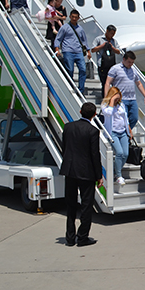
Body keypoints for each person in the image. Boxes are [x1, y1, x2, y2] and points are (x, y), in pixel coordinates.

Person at [60, 102, 103, 247]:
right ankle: (82, 236)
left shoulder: (68, 127)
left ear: (80, 111)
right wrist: (99, 175)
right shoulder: (93, 131)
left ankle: (70, 237)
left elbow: (64, 148)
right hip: (86, 172)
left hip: (70, 170)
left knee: (70, 205)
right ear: (94, 115)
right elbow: (94, 154)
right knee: (86, 204)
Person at [105, 50, 145, 130]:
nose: (130, 64)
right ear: (124, 59)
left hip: (132, 99)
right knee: (123, 119)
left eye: (132, 62)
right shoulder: (115, 69)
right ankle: (124, 134)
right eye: (129, 62)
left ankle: (126, 133)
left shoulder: (133, 70)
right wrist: (107, 98)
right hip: (121, 99)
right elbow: (108, 83)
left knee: (134, 118)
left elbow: (138, 84)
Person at [54, 9, 91, 93]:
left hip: (78, 52)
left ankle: (81, 89)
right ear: (70, 17)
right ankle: (69, 86)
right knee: (70, 70)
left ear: (78, 18)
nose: (74, 19)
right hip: (68, 50)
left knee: (83, 70)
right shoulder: (65, 27)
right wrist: (57, 48)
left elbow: (84, 40)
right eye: (72, 17)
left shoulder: (80, 29)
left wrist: (88, 51)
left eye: (76, 17)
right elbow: (58, 38)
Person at [101, 87, 130, 186]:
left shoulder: (122, 104)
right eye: (116, 96)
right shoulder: (105, 105)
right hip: (112, 132)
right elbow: (108, 113)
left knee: (125, 154)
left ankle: (116, 170)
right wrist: (112, 101)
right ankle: (118, 175)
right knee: (119, 152)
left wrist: (129, 130)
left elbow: (125, 118)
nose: (118, 99)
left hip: (123, 132)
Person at [92, 25, 121, 98]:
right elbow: (93, 49)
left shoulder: (114, 41)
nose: (112, 35)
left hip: (111, 65)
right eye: (111, 33)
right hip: (102, 65)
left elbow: (118, 51)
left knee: (114, 82)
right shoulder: (99, 39)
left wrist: (112, 47)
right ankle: (104, 98)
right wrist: (101, 46)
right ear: (107, 31)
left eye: (114, 34)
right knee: (104, 83)